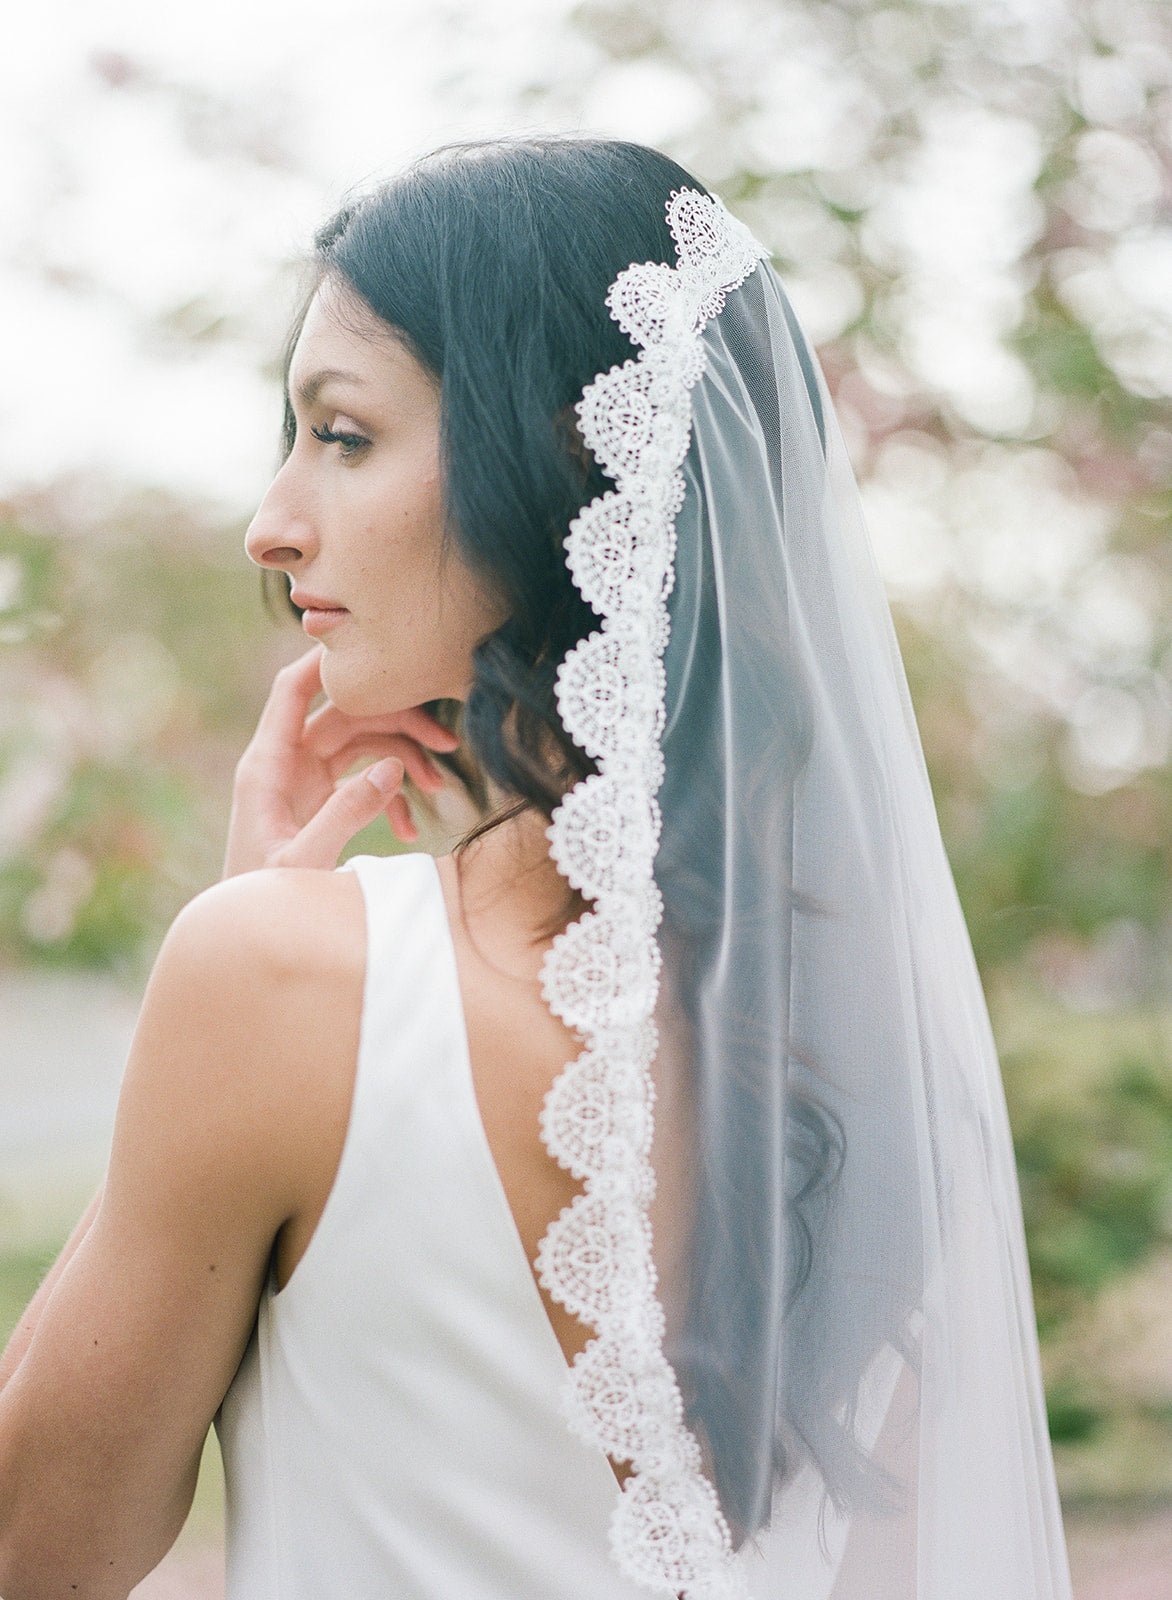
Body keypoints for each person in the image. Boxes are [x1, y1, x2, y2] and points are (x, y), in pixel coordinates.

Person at [0, 134, 1075, 1599]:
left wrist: (238, 933)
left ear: (556, 459)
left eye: (346, 434)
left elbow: (35, 1547)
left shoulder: (280, 978)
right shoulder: (874, 1047)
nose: (273, 520)